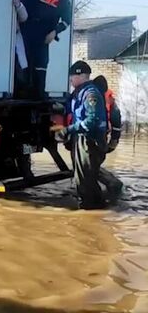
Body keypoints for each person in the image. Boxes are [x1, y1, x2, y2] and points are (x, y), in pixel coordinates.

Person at [56, 61, 108, 209]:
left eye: (72, 76)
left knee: (86, 183)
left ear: (81, 75)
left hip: (90, 142)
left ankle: (91, 212)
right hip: (81, 140)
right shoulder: (77, 93)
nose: (70, 80)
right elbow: (68, 108)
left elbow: (92, 121)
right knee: (83, 180)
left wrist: (69, 130)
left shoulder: (91, 94)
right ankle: (95, 208)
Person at [20, 0, 72, 99]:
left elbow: (66, 21)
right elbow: (25, 3)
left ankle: (39, 93)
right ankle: (23, 89)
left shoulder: (64, 1)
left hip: (45, 36)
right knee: (24, 60)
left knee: (42, 63)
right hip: (28, 30)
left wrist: (55, 32)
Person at [92, 75, 124, 201]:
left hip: (96, 139)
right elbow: (116, 122)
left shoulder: (99, 97)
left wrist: (113, 142)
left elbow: (116, 120)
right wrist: (113, 143)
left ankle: (106, 190)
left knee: (91, 165)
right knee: (93, 164)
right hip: (102, 138)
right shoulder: (108, 99)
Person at [13, 0, 29, 96]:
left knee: (19, 66)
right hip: (0, 41)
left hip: (15, 38)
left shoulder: (15, 2)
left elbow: (24, 17)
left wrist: (19, 6)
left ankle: (20, 90)